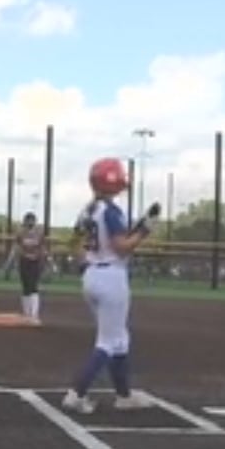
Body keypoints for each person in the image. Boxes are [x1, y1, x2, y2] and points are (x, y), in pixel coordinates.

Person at [61, 158, 162, 414]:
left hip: (92, 275)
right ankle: (77, 393)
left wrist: (86, 264)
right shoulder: (111, 211)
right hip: (111, 277)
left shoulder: (87, 210)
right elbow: (122, 247)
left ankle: (123, 395)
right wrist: (144, 231)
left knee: (120, 339)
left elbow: (73, 244)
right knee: (108, 341)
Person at [2, 213, 47, 323]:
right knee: (26, 287)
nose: (30, 223)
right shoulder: (21, 233)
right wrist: (9, 262)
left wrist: (49, 262)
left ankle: (34, 315)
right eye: (28, 220)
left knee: (33, 287)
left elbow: (43, 249)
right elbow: (15, 248)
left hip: (35, 262)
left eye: (32, 220)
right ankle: (27, 315)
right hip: (24, 261)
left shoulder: (39, 233)